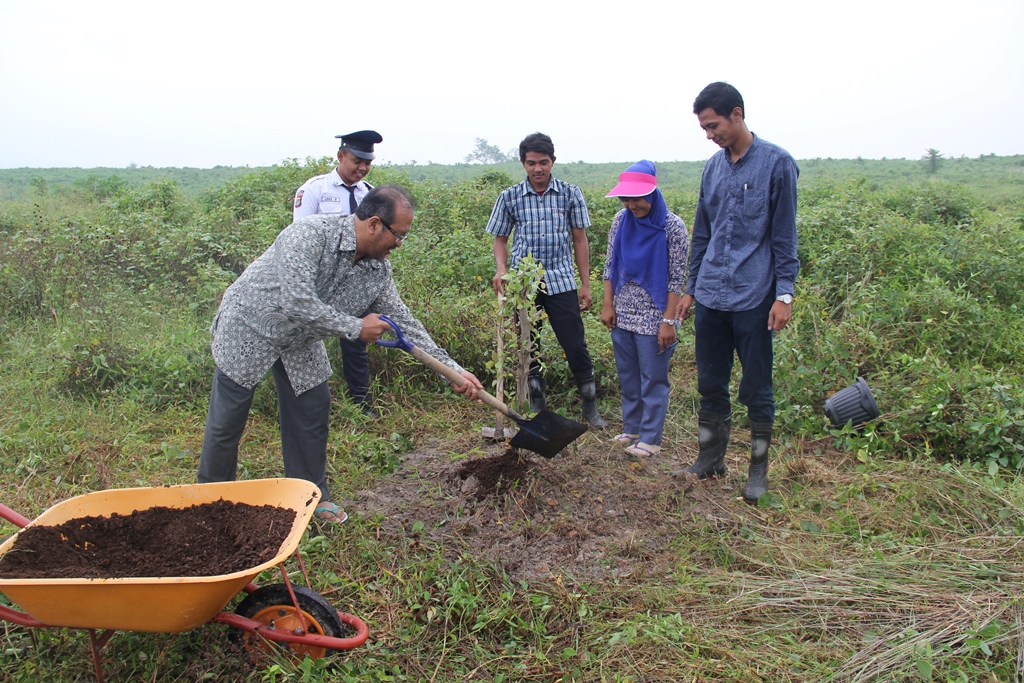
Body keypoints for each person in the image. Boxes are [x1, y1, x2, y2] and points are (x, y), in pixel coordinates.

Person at [199, 184, 483, 523]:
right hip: (250, 325)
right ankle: (210, 502)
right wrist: (355, 327)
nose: (400, 244)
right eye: (399, 235)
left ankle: (310, 497)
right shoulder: (309, 235)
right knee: (228, 420)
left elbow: (404, 323)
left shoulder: (378, 271)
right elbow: (297, 302)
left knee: (312, 408)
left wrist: (451, 369)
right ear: (375, 224)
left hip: (300, 339)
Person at [675, 82, 799, 503]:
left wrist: (785, 295)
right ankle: (711, 458)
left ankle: (758, 471)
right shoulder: (712, 167)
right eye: (705, 129)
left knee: (756, 388)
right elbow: (701, 233)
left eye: (714, 126)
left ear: (737, 114)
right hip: (711, 295)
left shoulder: (777, 164)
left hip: (753, 297)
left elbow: (784, 237)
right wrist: (690, 289)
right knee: (710, 382)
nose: (710, 135)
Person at [486, 132, 608, 428]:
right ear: (523, 164)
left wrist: (586, 284)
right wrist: (501, 269)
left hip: (562, 281)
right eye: (531, 163)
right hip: (523, 286)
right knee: (530, 345)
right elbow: (500, 240)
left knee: (575, 344)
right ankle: (537, 404)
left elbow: (580, 240)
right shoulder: (510, 196)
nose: (538, 169)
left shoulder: (569, 193)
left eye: (543, 162)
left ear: (552, 161)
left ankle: (590, 406)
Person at [292, 130, 383, 417]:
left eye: (367, 162)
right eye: (357, 160)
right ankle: (306, 405)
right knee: (305, 338)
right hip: (319, 280)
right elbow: (299, 237)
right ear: (340, 156)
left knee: (357, 341)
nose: (362, 167)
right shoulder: (315, 190)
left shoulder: (370, 194)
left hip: (354, 281)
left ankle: (361, 404)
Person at [601, 161, 689, 457]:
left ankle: (651, 439)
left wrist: (668, 321)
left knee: (653, 377)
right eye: (625, 198)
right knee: (628, 374)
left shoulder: (672, 227)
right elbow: (610, 265)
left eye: (637, 198)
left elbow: (677, 277)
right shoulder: (620, 220)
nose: (631, 204)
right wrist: (607, 305)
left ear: (652, 193)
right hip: (623, 311)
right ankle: (633, 427)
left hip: (655, 315)